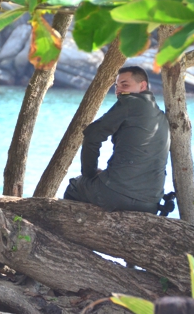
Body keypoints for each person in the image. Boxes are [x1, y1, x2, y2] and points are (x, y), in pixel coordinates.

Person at [63, 66, 170, 214]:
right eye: (116, 86)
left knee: (74, 186)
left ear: (143, 85)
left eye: (125, 85)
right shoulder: (162, 117)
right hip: (150, 203)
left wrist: (89, 173)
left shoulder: (130, 102)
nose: (119, 90)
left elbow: (92, 135)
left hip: (115, 195)